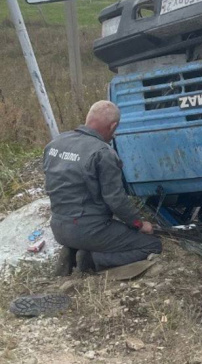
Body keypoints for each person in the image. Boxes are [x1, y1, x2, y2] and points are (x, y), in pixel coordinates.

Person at [45, 101, 161, 275]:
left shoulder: (55, 143)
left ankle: (72, 250)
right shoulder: (103, 153)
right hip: (89, 230)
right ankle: (92, 260)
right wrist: (139, 224)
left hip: (58, 227)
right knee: (152, 244)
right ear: (113, 126)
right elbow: (116, 200)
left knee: (95, 228)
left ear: (88, 118)